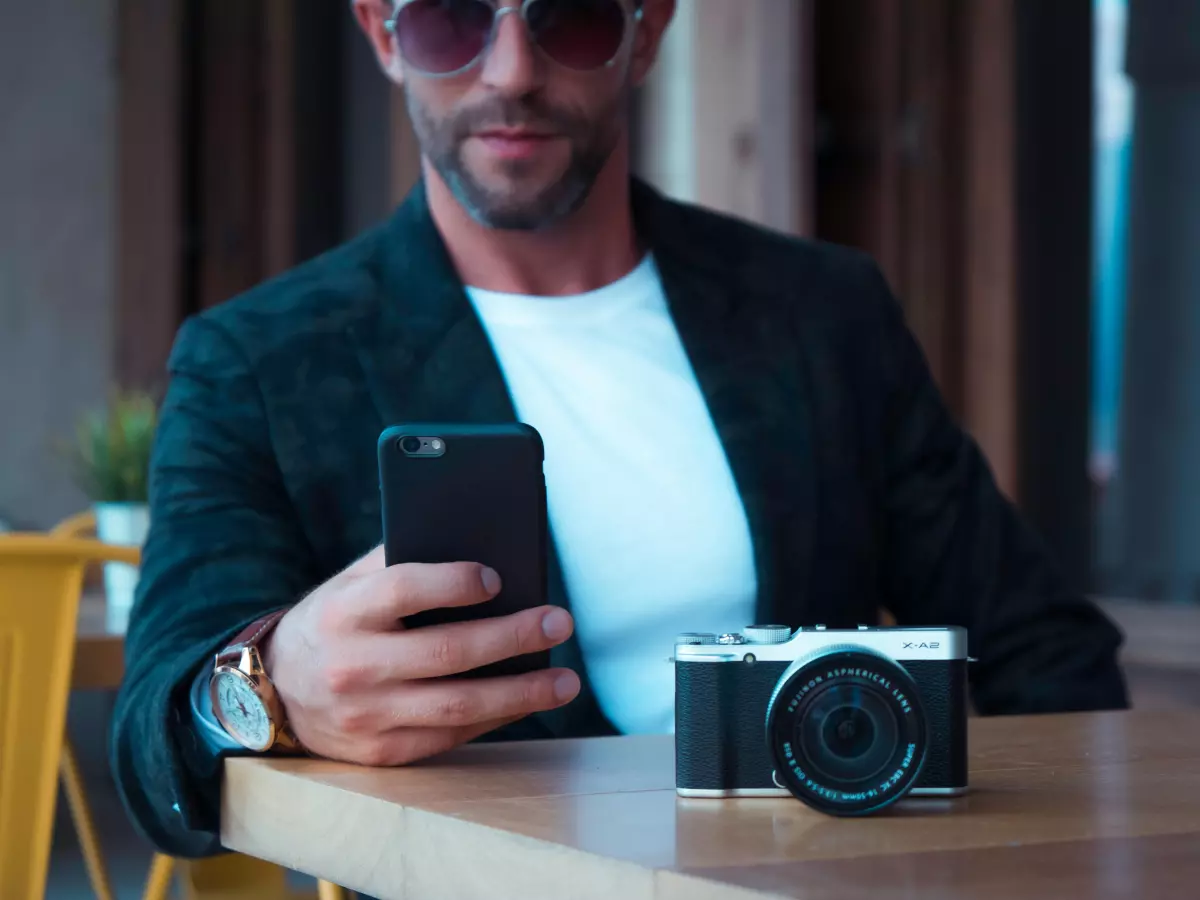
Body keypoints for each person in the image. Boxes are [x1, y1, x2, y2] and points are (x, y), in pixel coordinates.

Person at [111, 0, 1128, 858]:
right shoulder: (260, 358)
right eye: (452, 19)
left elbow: (1043, 655)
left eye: (575, 19)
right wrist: (266, 687)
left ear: (648, 35)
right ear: (382, 32)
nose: (512, 70)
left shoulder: (821, 313)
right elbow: (154, 734)